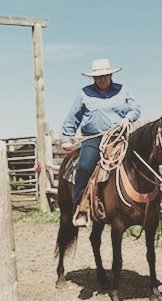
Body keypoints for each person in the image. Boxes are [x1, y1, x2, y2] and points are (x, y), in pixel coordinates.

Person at [61, 58, 141, 226]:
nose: (102, 79)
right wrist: (66, 138)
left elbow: (135, 108)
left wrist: (128, 118)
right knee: (84, 167)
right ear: (93, 78)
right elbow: (73, 117)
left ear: (111, 75)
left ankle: (156, 199)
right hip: (95, 137)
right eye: (98, 77)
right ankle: (81, 208)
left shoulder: (123, 91)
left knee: (143, 159)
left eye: (105, 75)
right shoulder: (84, 93)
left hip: (120, 135)